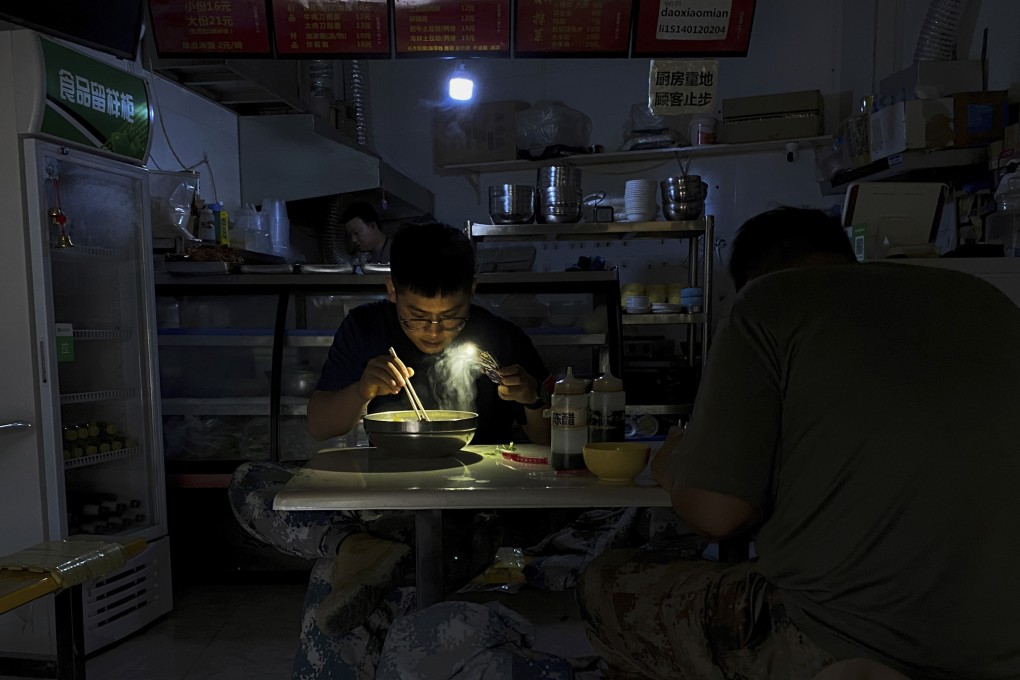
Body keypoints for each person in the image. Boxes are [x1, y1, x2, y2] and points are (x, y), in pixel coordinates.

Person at [577, 206, 1020, 679]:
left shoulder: (769, 301)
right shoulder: (983, 297)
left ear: (750, 277)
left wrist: (676, 471)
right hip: (1004, 643)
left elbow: (718, 515)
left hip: (849, 639)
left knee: (604, 583)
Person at [229, 222, 552, 678]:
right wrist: (362, 389)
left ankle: (355, 552)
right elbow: (321, 425)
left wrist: (533, 398)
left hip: (469, 512)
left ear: (473, 291)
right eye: (417, 316)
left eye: (452, 316)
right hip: (379, 502)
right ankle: (355, 545)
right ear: (392, 290)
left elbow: (552, 449)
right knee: (251, 481)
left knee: (336, 580)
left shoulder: (500, 339)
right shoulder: (365, 329)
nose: (435, 330)